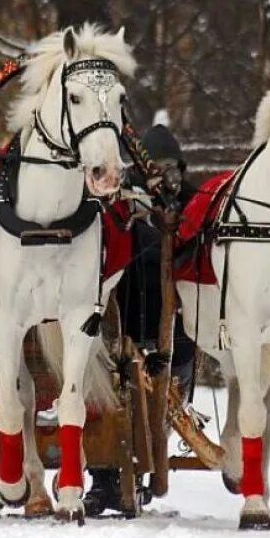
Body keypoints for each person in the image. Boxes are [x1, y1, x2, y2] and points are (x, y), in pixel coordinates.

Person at [83, 122, 198, 517]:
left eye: (171, 168)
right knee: (105, 395)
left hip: (173, 331)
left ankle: (144, 471)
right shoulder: (119, 203)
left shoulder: (191, 205)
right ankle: (101, 479)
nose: (163, 177)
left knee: (158, 398)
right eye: (155, 167)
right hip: (124, 321)